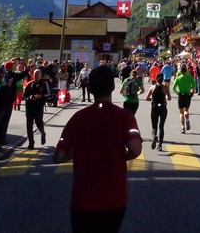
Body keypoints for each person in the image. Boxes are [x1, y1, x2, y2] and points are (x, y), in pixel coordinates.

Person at [53, 65, 142, 233]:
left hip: (83, 200)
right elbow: (136, 149)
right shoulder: (125, 117)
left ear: (91, 88)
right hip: (114, 198)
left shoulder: (77, 118)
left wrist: (80, 151)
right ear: (113, 87)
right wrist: (121, 155)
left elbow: (58, 157)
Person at [23, 68, 50, 150]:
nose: (36, 76)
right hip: (30, 107)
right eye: (35, 75)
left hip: (39, 107)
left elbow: (48, 94)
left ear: (41, 75)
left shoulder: (44, 83)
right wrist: (29, 98)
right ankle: (31, 143)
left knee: (39, 122)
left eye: (38, 75)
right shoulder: (29, 84)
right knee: (29, 125)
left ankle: (42, 133)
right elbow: (24, 96)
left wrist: (41, 96)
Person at [145, 72, 171, 151]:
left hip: (154, 107)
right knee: (161, 127)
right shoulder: (165, 88)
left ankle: (154, 136)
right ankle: (160, 145)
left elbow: (147, 98)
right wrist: (165, 98)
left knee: (154, 126)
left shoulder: (152, 87)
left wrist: (152, 99)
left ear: (156, 79)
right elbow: (169, 98)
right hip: (163, 108)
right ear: (163, 79)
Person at [171, 63, 197, 133]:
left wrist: (178, 93)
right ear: (186, 70)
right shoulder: (190, 77)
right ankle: (187, 120)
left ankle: (183, 127)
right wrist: (192, 92)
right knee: (186, 110)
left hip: (181, 95)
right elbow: (194, 86)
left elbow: (173, 88)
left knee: (181, 112)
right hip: (187, 95)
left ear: (181, 71)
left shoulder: (178, 78)